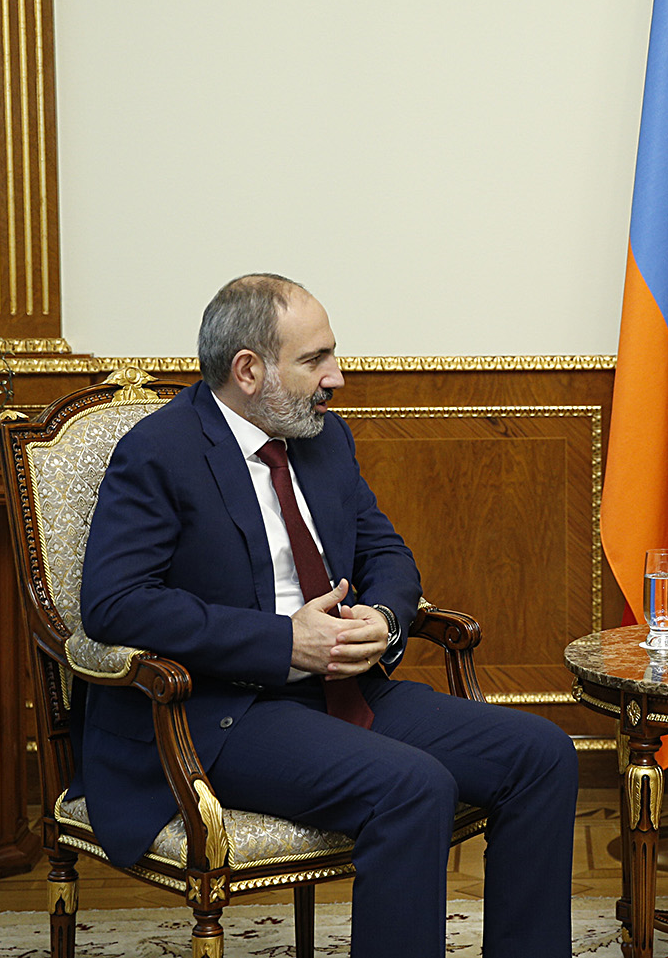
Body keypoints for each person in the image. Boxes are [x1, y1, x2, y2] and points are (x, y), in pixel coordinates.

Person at [78, 273, 577, 958]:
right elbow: (115, 602)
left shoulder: (324, 440)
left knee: (541, 754)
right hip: (223, 710)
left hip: (342, 687)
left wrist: (385, 617)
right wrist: (283, 641)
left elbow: (386, 552)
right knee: (412, 787)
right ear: (249, 370)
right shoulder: (161, 450)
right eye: (315, 359)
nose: (335, 377)